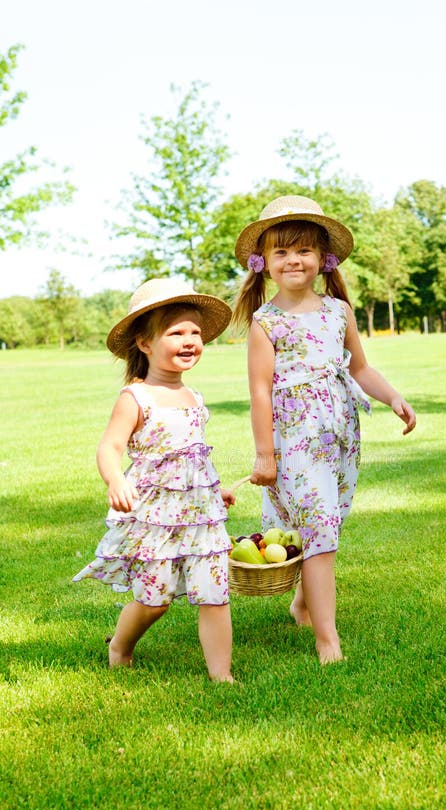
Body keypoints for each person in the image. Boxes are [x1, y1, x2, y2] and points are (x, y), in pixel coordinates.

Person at [232, 195, 416, 665]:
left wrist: (392, 396)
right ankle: (327, 639)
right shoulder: (266, 322)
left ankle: (303, 603)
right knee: (319, 529)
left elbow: (359, 367)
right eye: (281, 252)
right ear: (264, 264)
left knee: (328, 521)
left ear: (323, 259)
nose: (293, 260)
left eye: (303, 251)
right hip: (294, 437)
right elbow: (259, 392)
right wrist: (264, 454)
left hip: (340, 433)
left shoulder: (338, 311)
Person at [73, 277, 236, 681]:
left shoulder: (194, 397)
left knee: (215, 594)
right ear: (144, 343)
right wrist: (115, 480)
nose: (189, 340)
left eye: (195, 332)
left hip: (200, 515)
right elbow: (109, 447)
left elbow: (194, 458)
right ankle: (120, 645)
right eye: (176, 332)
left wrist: (217, 492)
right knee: (155, 600)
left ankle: (222, 675)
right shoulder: (137, 397)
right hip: (155, 518)